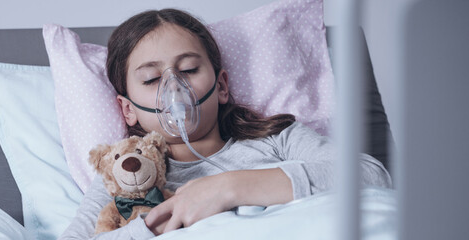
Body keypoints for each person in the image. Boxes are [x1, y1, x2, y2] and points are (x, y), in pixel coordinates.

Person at [59, 8, 392, 239]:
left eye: (188, 70)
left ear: (220, 86)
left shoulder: (276, 140)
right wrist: (152, 225)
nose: (173, 88)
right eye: (150, 79)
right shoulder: (122, 177)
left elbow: (372, 174)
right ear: (128, 109)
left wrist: (227, 188)